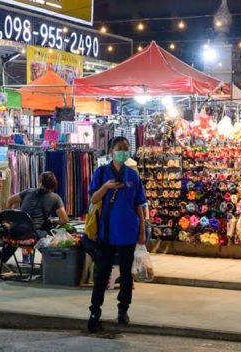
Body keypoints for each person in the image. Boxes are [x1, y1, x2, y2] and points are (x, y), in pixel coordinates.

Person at [86, 136, 147, 333]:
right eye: (119, 148)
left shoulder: (133, 175)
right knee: (102, 274)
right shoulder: (101, 172)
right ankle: (95, 312)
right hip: (107, 232)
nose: (122, 151)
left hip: (129, 231)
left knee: (126, 274)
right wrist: (106, 187)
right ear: (111, 151)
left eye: (126, 148)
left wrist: (142, 231)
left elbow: (139, 205)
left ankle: (123, 309)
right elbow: (94, 199)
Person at [0, 171, 68, 269]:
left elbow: (10, 200)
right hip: (31, 235)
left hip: (13, 232)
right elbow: (64, 220)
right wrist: (54, 222)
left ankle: (0, 260)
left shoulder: (29, 191)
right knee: (50, 234)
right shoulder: (55, 198)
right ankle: (48, 264)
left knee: (20, 231)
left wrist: (7, 220)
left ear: (40, 181)